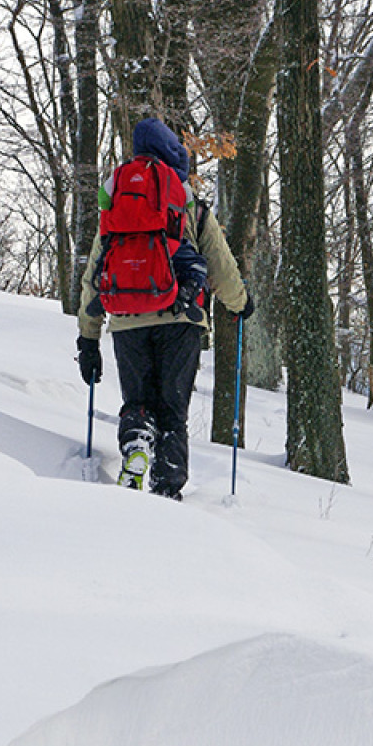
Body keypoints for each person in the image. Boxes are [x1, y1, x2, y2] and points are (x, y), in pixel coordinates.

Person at [76, 117, 254, 500]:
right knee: (173, 410)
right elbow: (221, 265)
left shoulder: (117, 203)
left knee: (138, 401)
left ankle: (137, 442)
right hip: (181, 319)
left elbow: (95, 273)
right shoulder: (188, 203)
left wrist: (88, 338)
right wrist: (240, 304)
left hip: (126, 320)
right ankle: (166, 490)